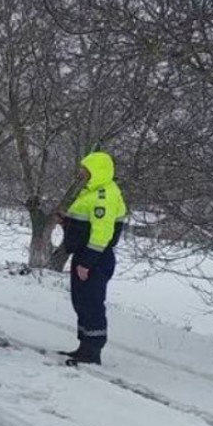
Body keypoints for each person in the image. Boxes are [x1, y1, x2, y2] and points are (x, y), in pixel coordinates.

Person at [58, 151, 128, 366]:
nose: (81, 173)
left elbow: (102, 234)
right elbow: (86, 224)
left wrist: (87, 262)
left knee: (91, 303)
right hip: (86, 254)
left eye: (85, 169)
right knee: (81, 302)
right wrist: (68, 223)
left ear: (96, 170)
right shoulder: (93, 191)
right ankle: (84, 347)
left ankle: (92, 351)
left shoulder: (103, 196)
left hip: (95, 258)